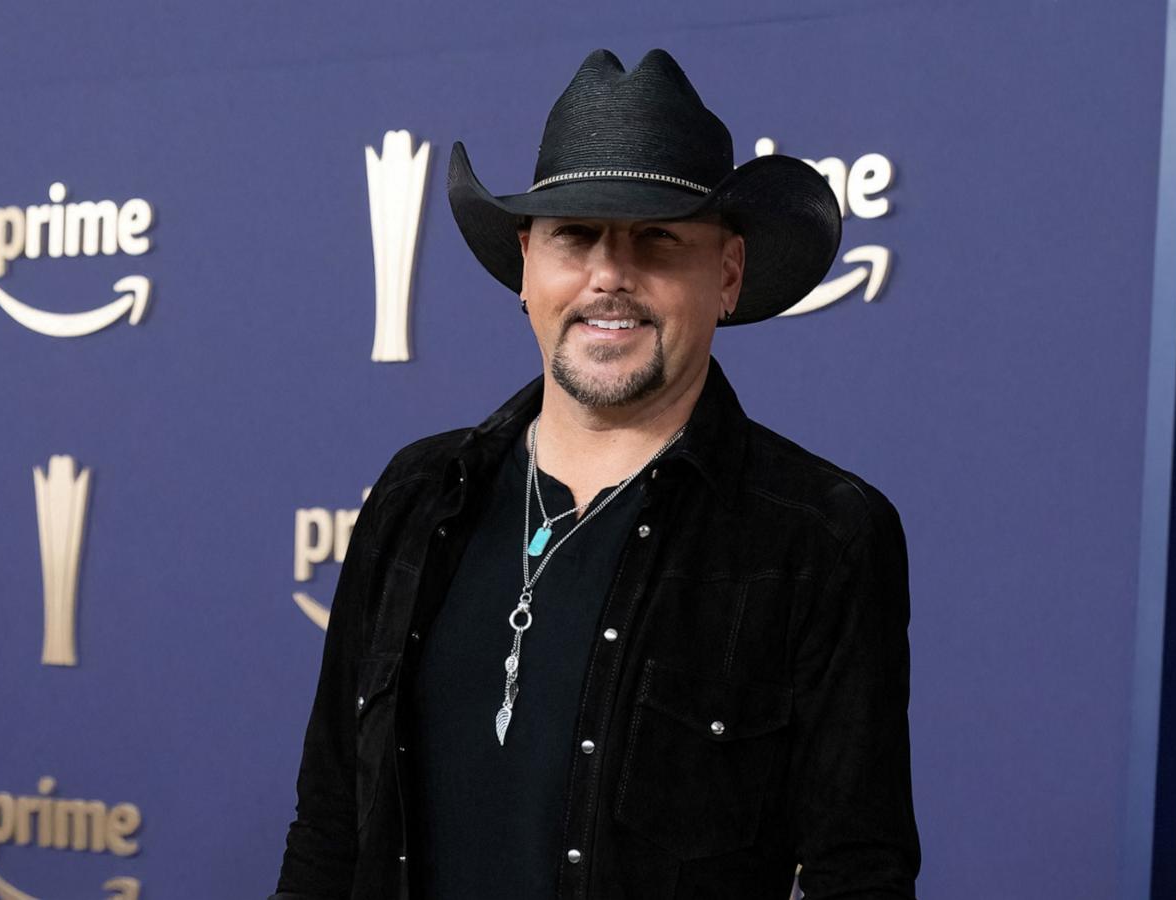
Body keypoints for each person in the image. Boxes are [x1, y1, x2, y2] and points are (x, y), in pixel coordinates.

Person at [271, 48, 920, 899]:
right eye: (575, 236)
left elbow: (858, 874)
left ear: (725, 274)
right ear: (527, 267)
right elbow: (329, 830)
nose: (609, 276)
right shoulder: (415, 495)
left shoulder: (820, 535)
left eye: (657, 239)